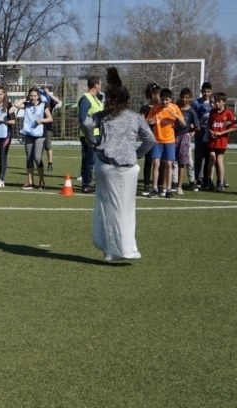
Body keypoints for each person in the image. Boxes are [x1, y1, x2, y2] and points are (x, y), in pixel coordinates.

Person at [81, 67, 155, 262]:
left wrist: (94, 143)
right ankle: (125, 248)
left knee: (106, 208)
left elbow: (86, 124)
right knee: (126, 210)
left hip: (106, 165)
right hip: (128, 168)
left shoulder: (103, 115)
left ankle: (108, 250)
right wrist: (136, 154)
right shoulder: (136, 117)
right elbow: (150, 139)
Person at [145, 88, 185, 198]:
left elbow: (184, 124)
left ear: (171, 99)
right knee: (156, 163)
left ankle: (168, 190)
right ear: (160, 99)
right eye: (163, 100)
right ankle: (155, 189)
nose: (165, 102)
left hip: (169, 141)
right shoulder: (155, 108)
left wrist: (176, 116)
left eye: (167, 100)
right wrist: (150, 121)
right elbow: (147, 120)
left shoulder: (175, 108)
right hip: (157, 140)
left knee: (169, 164)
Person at [14, 87, 53, 189]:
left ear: (38, 96)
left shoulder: (43, 105)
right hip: (28, 135)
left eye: (35, 95)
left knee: (37, 157)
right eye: (31, 95)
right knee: (29, 159)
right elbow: (16, 105)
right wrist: (25, 98)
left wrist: (42, 120)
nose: (33, 97)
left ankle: (41, 180)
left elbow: (50, 118)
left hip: (40, 135)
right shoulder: (26, 105)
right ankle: (30, 181)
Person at [77, 75, 104, 193]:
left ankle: (95, 183)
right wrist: (89, 136)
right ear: (95, 85)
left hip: (98, 134)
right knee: (89, 161)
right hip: (88, 135)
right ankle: (86, 184)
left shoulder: (96, 99)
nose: (101, 86)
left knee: (98, 161)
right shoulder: (85, 99)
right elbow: (82, 119)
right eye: (100, 84)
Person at [206, 92, 237, 191]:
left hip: (222, 141)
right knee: (212, 159)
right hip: (212, 140)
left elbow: (234, 127)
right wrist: (210, 131)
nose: (216, 103)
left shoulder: (228, 113)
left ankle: (220, 182)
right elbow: (208, 124)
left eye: (218, 101)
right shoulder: (212, 112)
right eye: (215, 101)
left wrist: (222, 133)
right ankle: (209, 181)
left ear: (224, 102)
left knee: (219, 160)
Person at [173, 88, 200, 194]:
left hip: (185, 137)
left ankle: (186, 184)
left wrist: (189, 130)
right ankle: (173, 182)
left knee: (185, 161)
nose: (184, 99)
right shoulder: (176, 108)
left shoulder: (191, 111)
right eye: (182, 97)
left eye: (186, 97)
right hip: (173, 136)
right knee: (172, 161)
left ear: (190, 98)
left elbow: (197, 127)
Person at [139, 81, 161, 194]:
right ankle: (146, 185)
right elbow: (141, 123)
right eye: (158, 94)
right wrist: (148, 122)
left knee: (160, 162)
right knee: (148, 162)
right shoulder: (145, 108)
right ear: (153, 95)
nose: (160, 97)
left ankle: (160, 185)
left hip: (160, 139)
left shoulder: (162, 108)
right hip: (149, 139)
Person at [191, 82, 214, 190]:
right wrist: (195, 128)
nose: (206, 93)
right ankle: (198, 179)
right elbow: (192, 117)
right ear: (201, 91)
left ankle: (208, 179)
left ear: (211, 92)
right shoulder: (195, 103)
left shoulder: (213, 102)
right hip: (200, 134)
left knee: (210, 158)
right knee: (199, 158)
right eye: (204, 91)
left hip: (211, 135)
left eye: (208, 91)